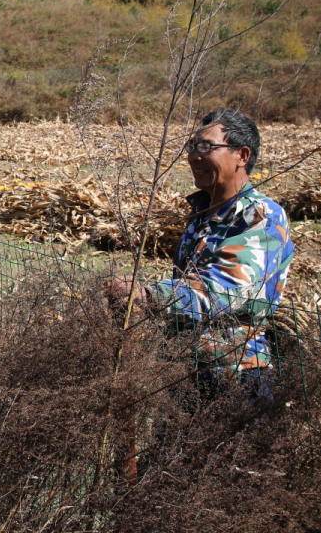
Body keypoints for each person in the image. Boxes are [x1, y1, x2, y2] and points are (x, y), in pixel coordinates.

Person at [108, 109, 294, 396]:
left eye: (206, 147)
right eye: (192, 147)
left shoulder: (261, 217)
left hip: (235, 375)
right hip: (186, 370)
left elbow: (227, 287)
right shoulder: (203, 214)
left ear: (242, 156)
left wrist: (150, 296)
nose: (194, 156)